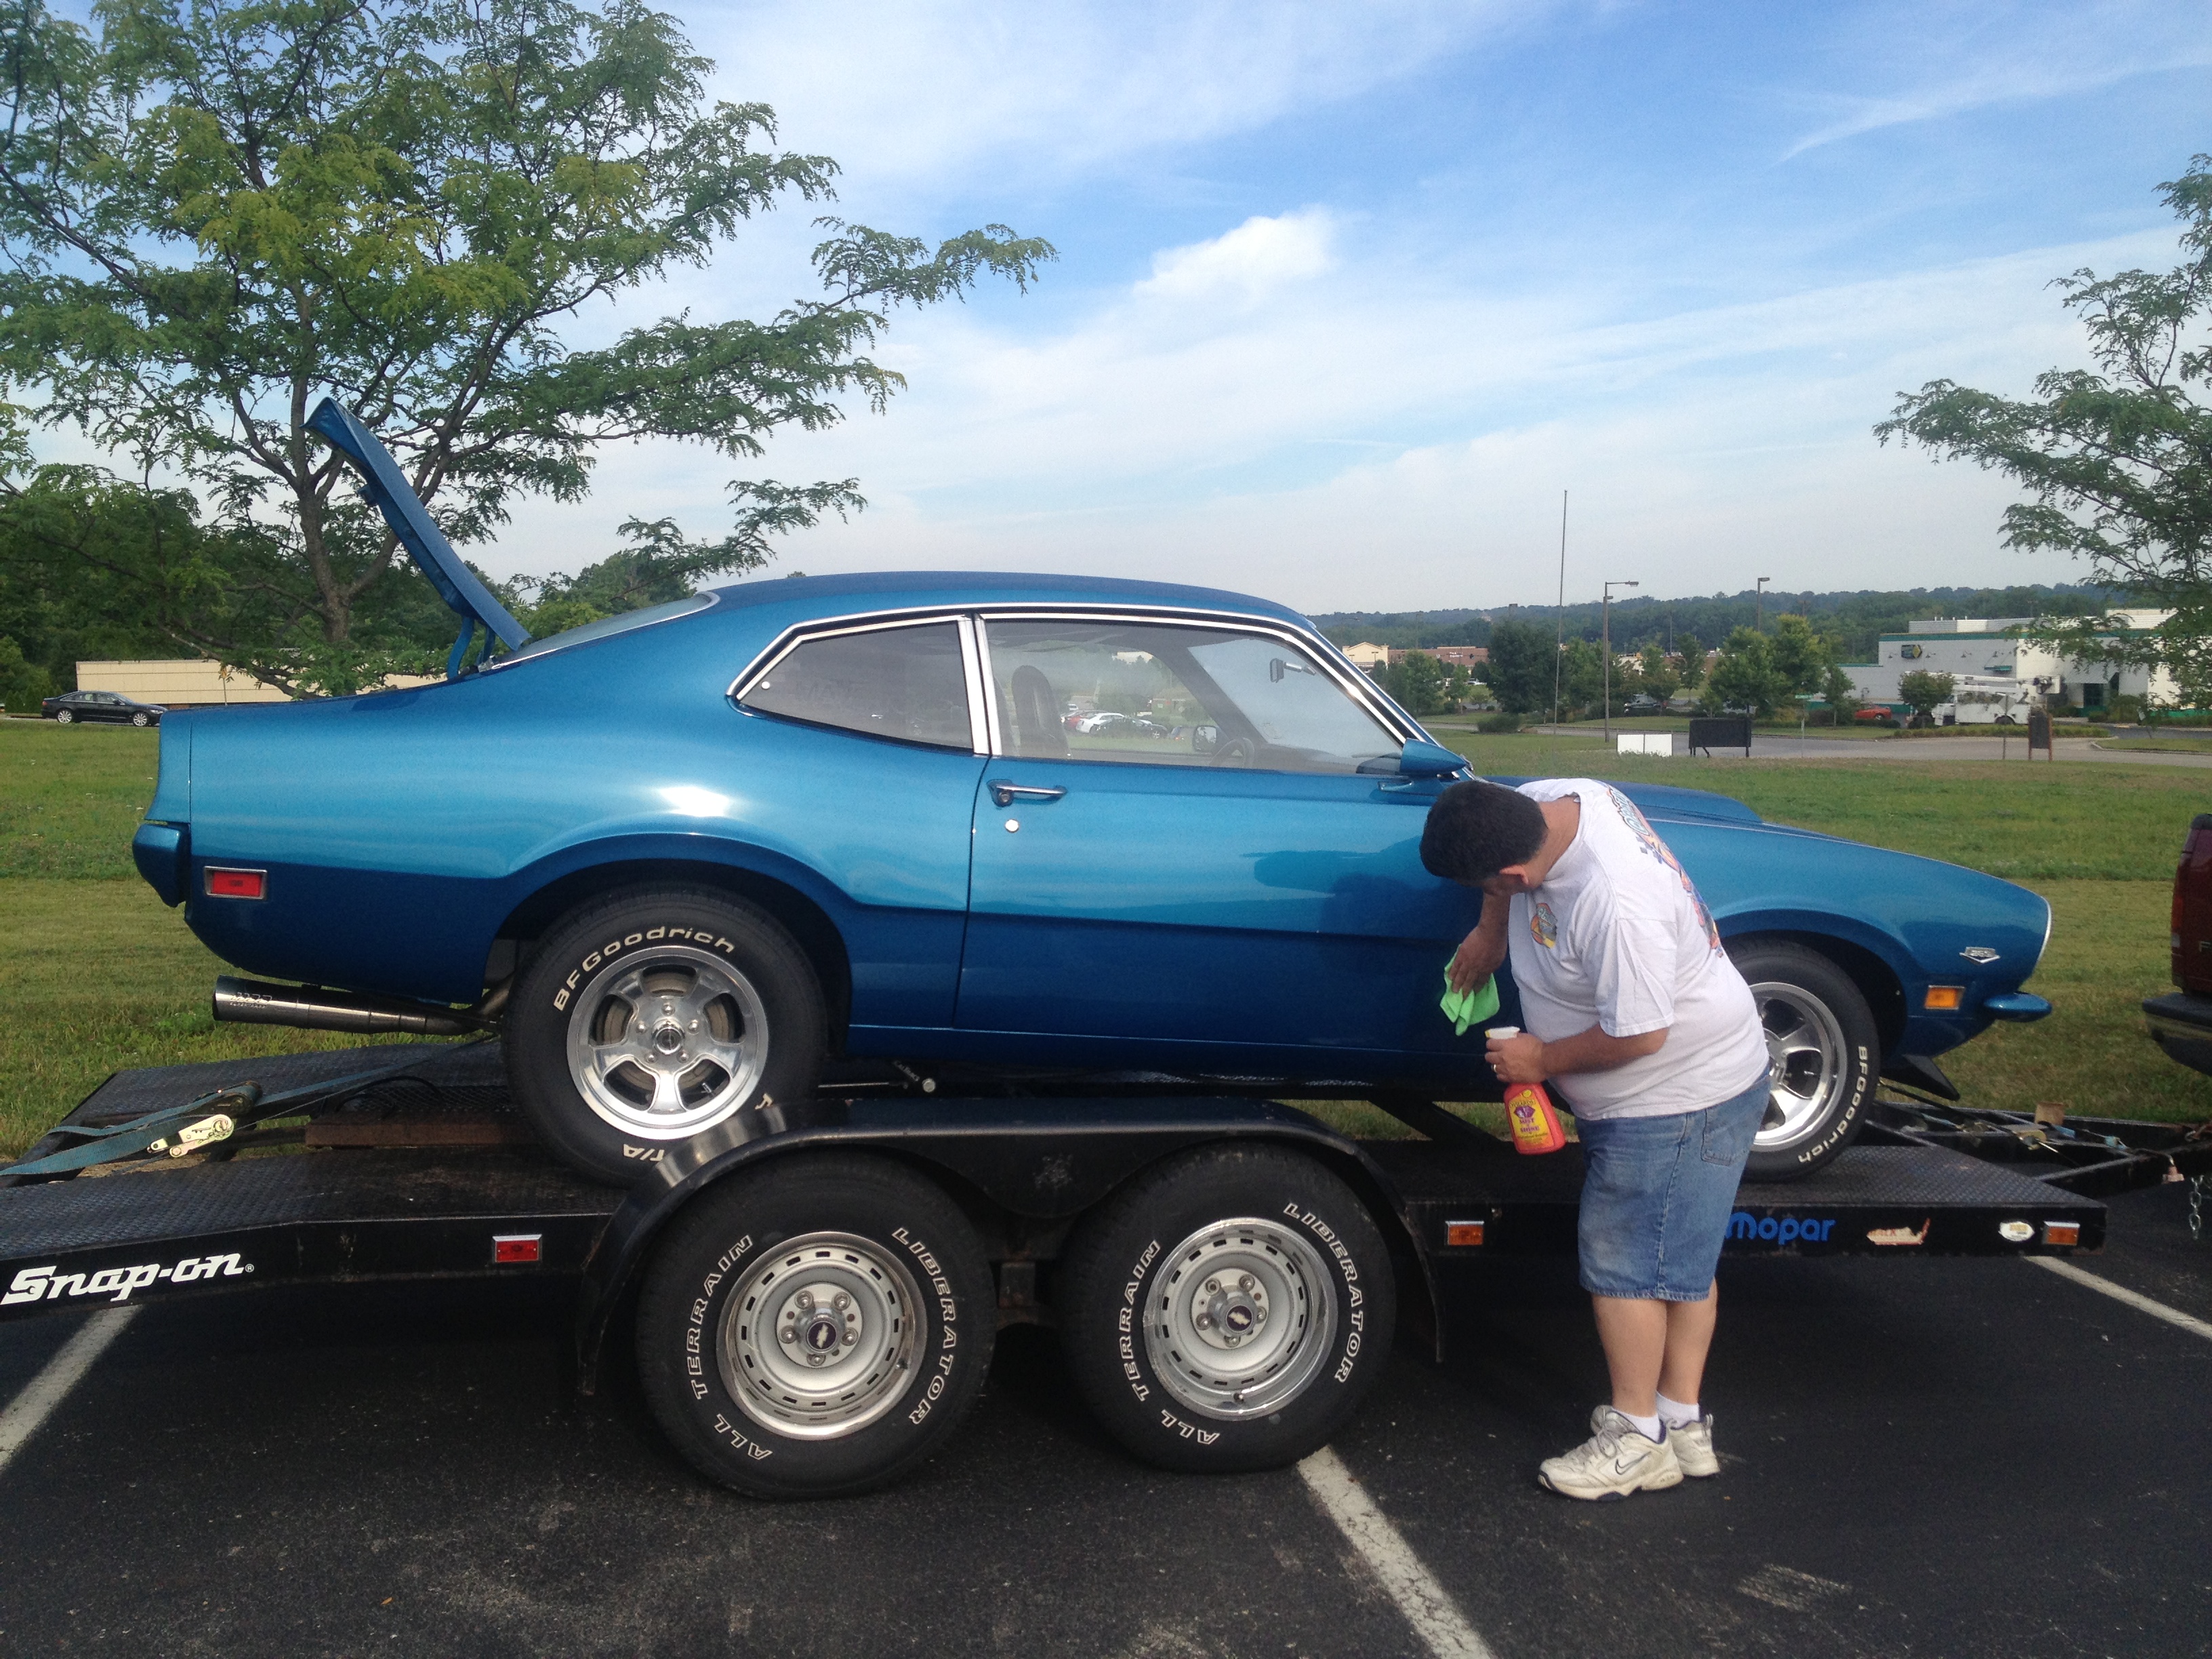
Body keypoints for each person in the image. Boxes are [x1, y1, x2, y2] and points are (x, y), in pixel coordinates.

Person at [1420, 777, 1771, 1500]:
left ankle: (1637, 1440)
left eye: (1490, 890)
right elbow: (1503, 874)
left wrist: (1540, 1060)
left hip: (1674, 1097)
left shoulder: (1616, 902)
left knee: (1627, 1268)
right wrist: (1491, 929)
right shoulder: (1559, 796)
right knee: (1680, 1259)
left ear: (1514, 875)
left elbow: (1642, 1034)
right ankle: (1681, 1423)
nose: (1491, 897)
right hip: (1710, 1076)